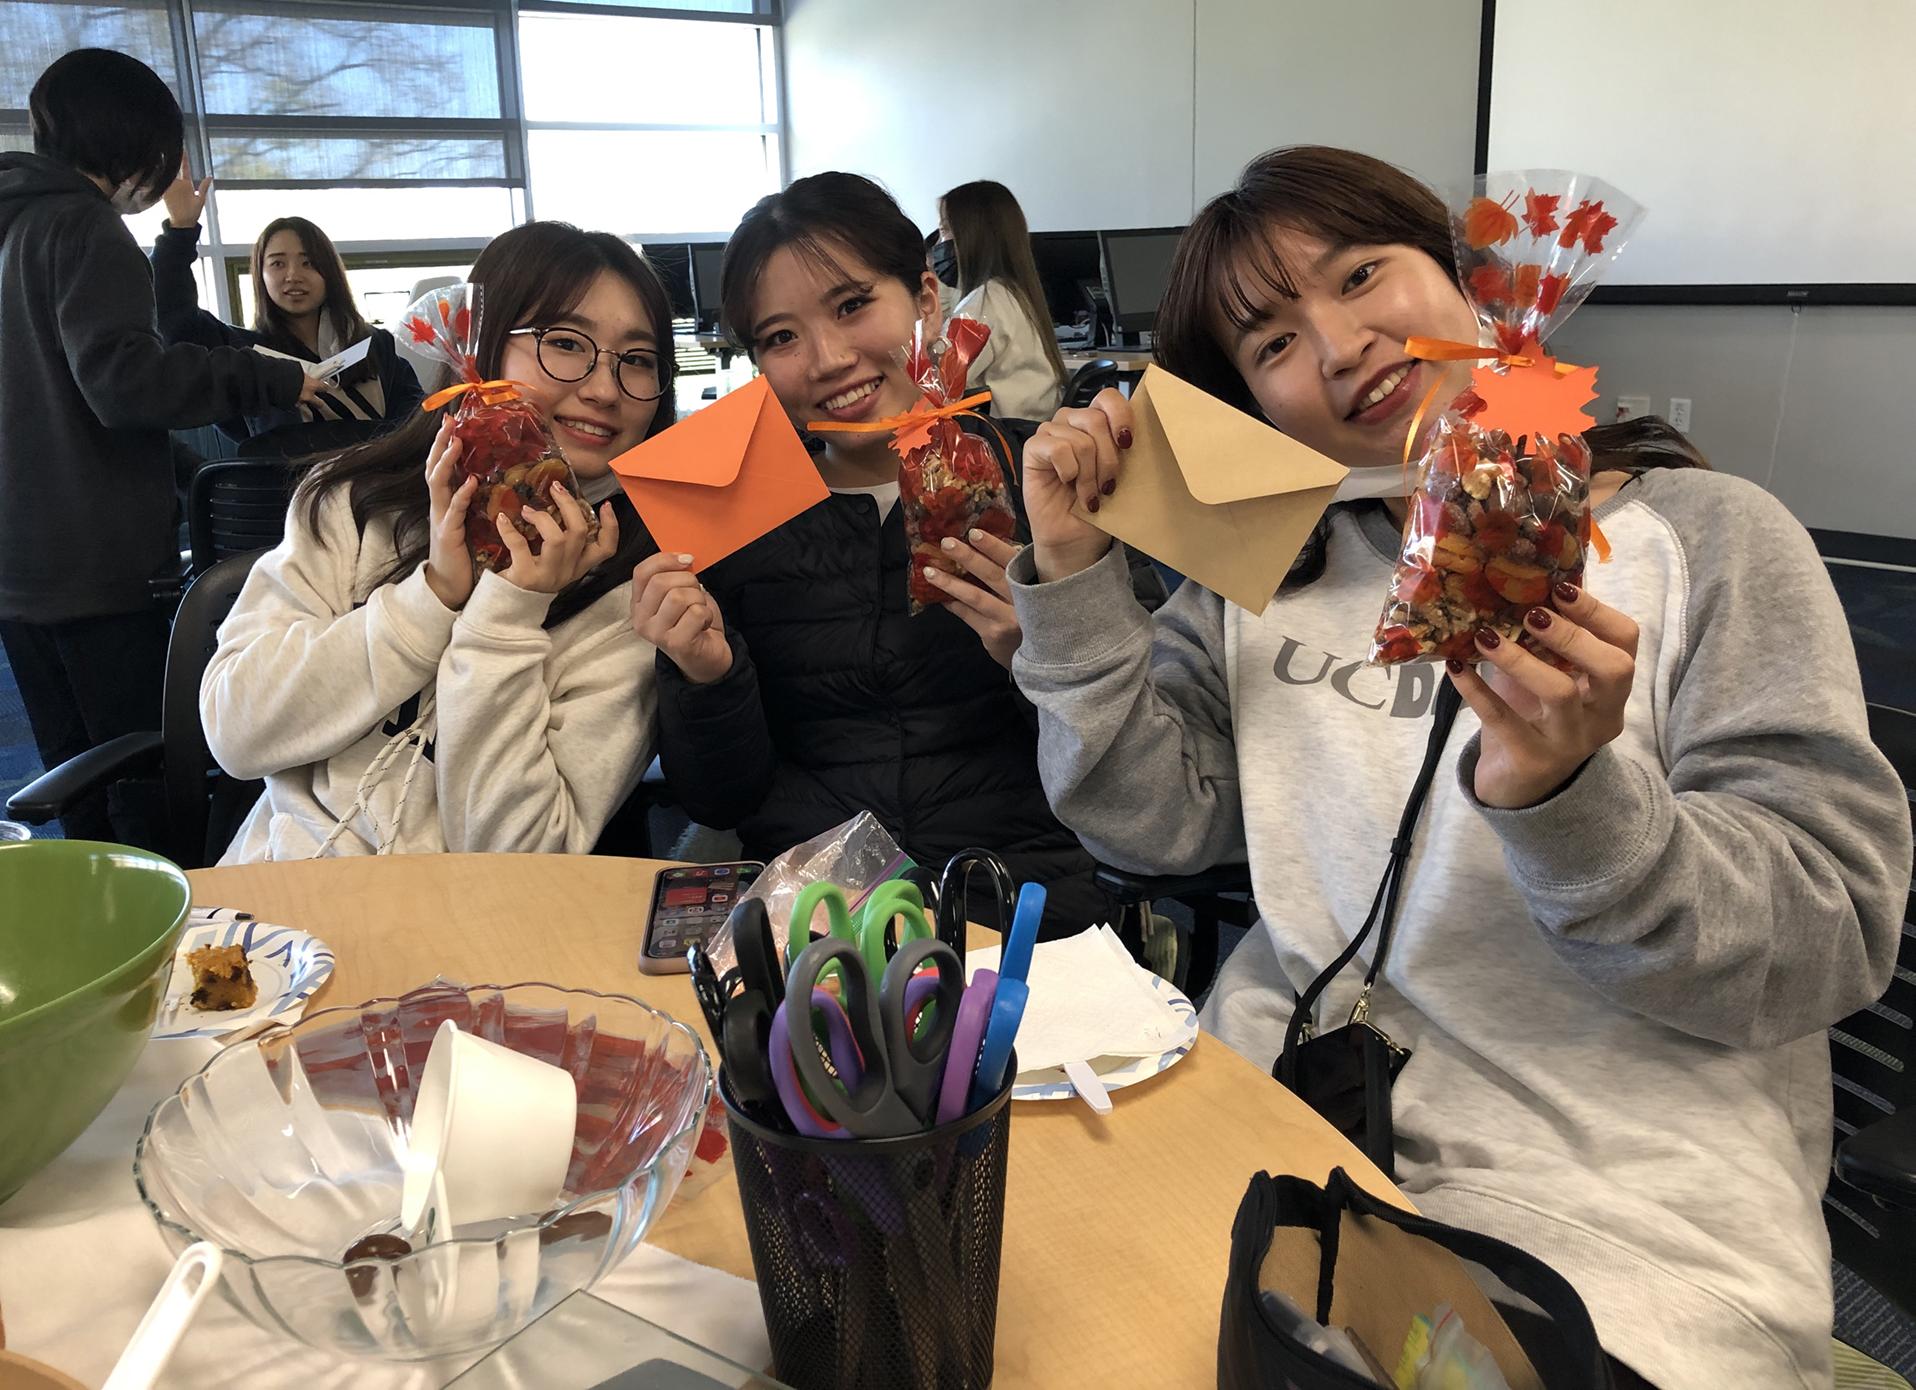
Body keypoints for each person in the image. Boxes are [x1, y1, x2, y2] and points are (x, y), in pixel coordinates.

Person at [1006, 146, 1911, 1390]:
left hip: (1611, 1208)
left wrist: (1572, 802)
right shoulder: (1269, 557)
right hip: (1273, 1126)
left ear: (1466, 274)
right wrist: (1072, 581)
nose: (1334, 349)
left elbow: (1833, 937)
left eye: (1361, 273)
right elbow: (1147, 825)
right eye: (1268, 344)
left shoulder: (1705, 541)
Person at [631, 171, 1115, 934]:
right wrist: (708, 676)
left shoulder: (1043, 486)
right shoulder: (732, 509)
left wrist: (1043, 653)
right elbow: (720, 800)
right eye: (780, 337)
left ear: (927, 297)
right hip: (818, 910)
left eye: (854, 305)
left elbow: (1129, 777)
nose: (826, 359)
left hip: (1025, 902)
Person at [200, 222, 670, 862]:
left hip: (474, 943)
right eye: (565, 343)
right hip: (284, 910)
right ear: (485, 346)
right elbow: (235, 729)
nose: (605, 388)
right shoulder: (354, 504)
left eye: (637, 360)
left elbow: (523, 859)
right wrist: (432, 600)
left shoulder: (637, 591)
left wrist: (507, 613)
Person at [0, 47, 316, 846]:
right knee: (145, 762)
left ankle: (93, 914)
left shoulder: (1, 235)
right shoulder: (86, 224)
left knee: (70, 767)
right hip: (87, 557)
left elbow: (39, 399)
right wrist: (267, 375)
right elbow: (125, 384)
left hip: (9, 550)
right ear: (136, 141)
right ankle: (169, 919)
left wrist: (184, 469)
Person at [152, 165, 424, 445]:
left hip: (376, 485)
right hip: (282, 488)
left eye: (308, 262)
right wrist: (179, 232)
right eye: (278, 263)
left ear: (329, 272)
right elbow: (172, 318)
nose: (293, 275)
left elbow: (417, 428)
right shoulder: (241, 354)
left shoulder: (375, 346)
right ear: (261, 275)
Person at [936, 180, 1066, 420]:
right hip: (1032, 434)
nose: (938, 244)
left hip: (1006, 445)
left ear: (971, 237)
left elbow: (938, 384)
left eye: (944, 230)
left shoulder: (983, 304)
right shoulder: (1016, 295)